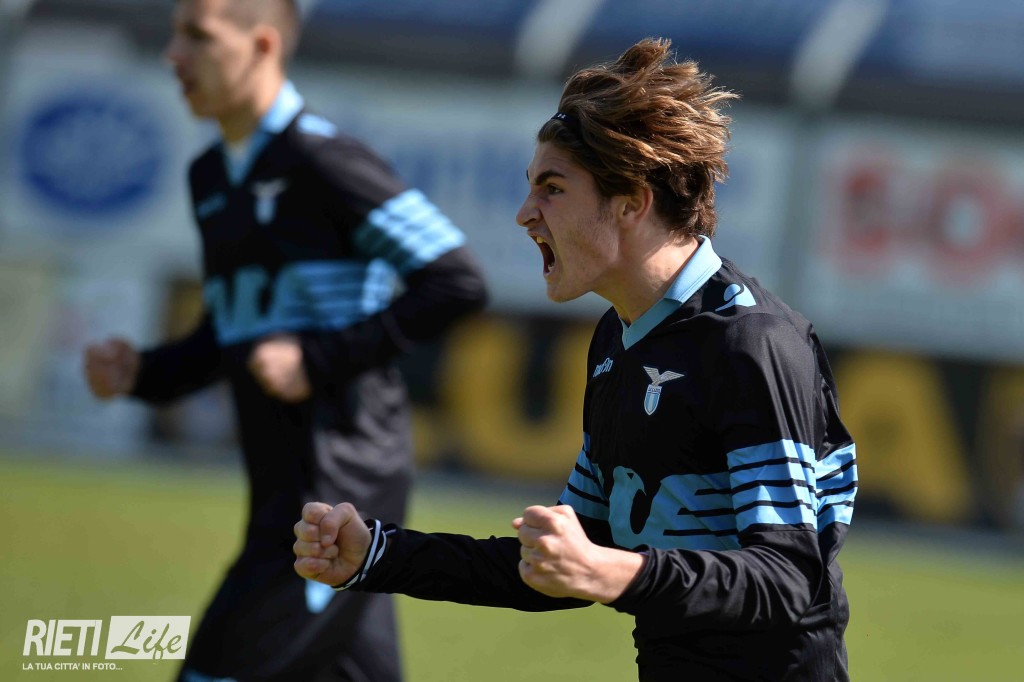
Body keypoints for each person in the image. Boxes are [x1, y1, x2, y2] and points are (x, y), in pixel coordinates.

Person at [294, 37, 858, 682]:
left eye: (552, 188)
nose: (524, 214)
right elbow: (567, 561)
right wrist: (377, 554)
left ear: (632, 201)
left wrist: (610, 571)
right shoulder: (618, 339)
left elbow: (789, 577)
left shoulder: (753, 342)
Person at [83, 0, 487, 680]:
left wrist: (317, 359)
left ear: (263, 45)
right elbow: (230, 333)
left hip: (338, 491)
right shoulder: (210, 177)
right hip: (281, 495)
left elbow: (457, 280)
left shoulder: (326, 162)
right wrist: (144, 373)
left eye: (197, 36)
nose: (174, 55)